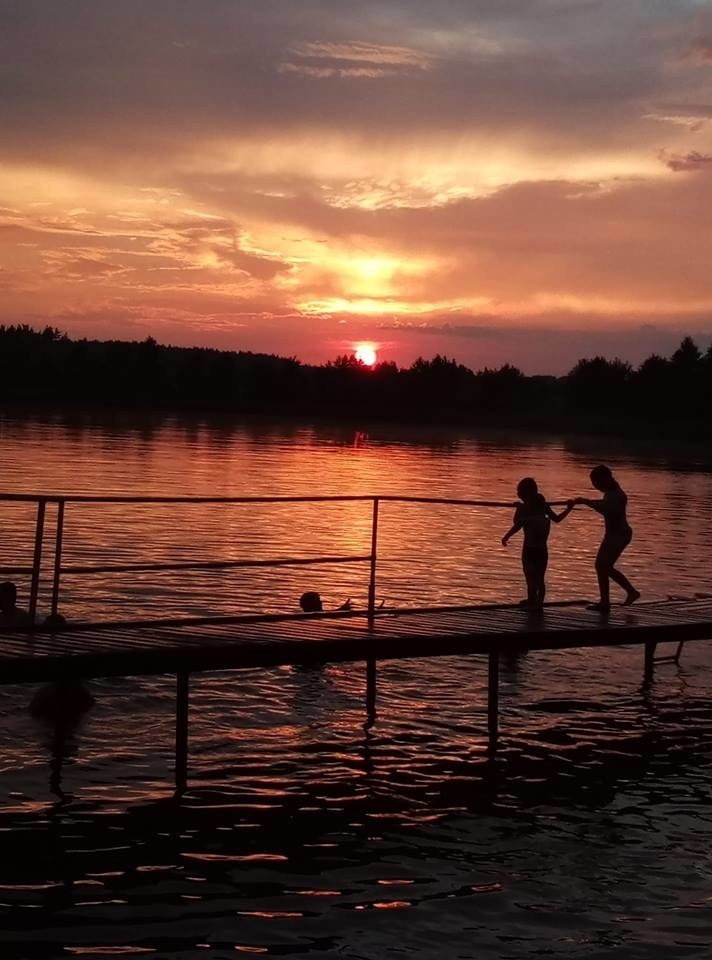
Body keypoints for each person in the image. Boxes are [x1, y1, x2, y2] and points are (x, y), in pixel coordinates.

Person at [574, 465, 640, 612]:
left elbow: (607, 510)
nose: (595, 485)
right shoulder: (611, 493)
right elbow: (604, 505)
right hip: (613, 535)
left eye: (595, 482)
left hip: (620, 535)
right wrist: (584, 501)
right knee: (602, 566)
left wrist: (586, 502)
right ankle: (607, 601)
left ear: (604, 479)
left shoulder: (616, 494)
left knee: (603, 566)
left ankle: (627, 593)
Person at [502, 478, 574, 609]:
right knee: (538, 577)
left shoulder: (525, 510)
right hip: (541, 550)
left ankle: (535, 601)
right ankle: (535, 601)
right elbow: (557, 519)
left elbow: (516, 523)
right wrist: (569, 508)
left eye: (519, 492)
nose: (518, 494)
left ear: (525, 494)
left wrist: (518, 510)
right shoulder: (543, 508)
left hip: (530, 550)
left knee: (531, 577)